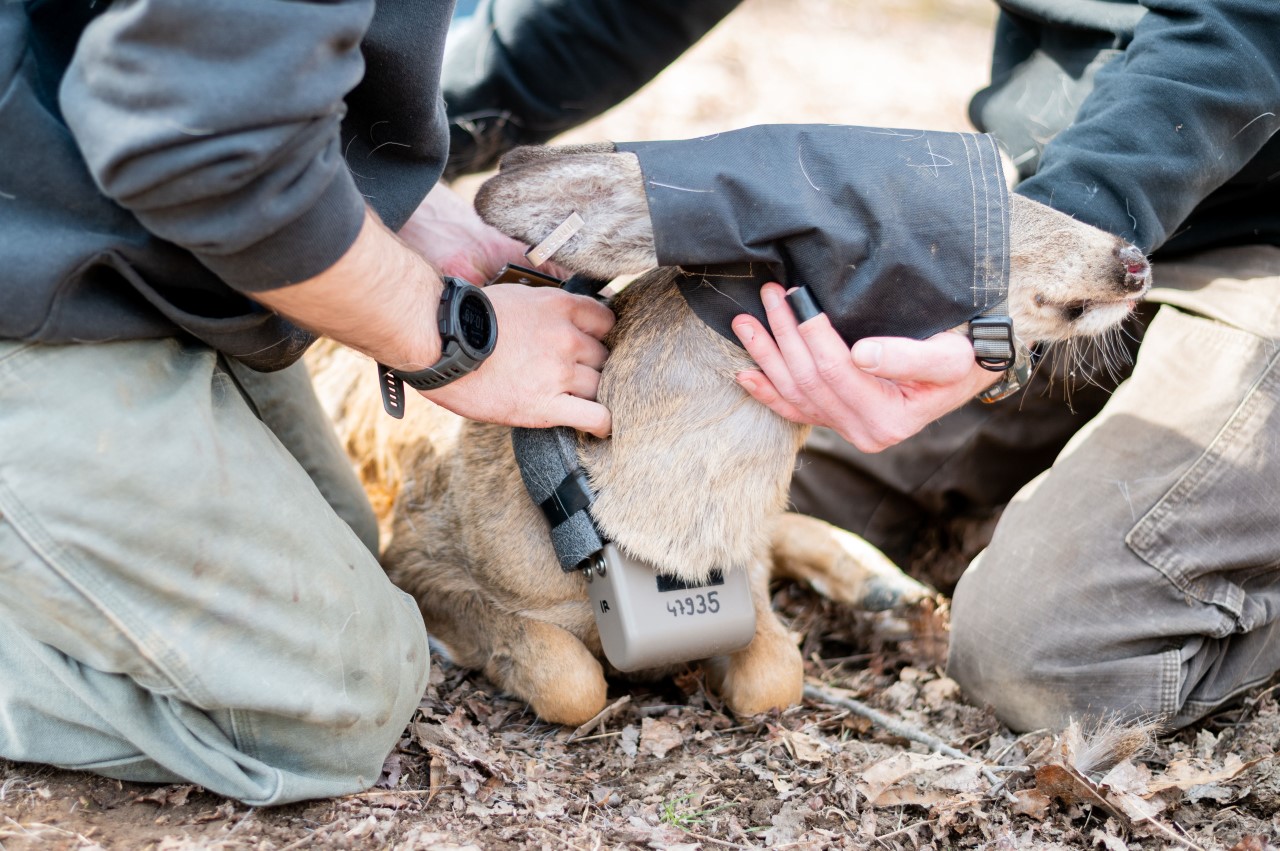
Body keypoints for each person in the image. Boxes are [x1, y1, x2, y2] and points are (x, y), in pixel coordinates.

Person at [442, 0, 1280, 732]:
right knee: (720, 459)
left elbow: (1240, 22)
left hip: (1219, 241)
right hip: (1037, 219)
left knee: (1047, 659)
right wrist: (382, 147)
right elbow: (621, 12)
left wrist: (1031, 270)